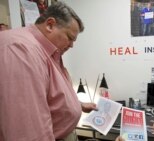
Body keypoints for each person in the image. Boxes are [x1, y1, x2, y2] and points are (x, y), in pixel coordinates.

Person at [0, 2, 97, 141]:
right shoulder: (20, 50)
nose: (71, 45)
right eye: (69, 38)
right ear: (50, 25)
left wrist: (78, 105)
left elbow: (48, 95)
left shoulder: (46, 50)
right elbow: (28, 132)